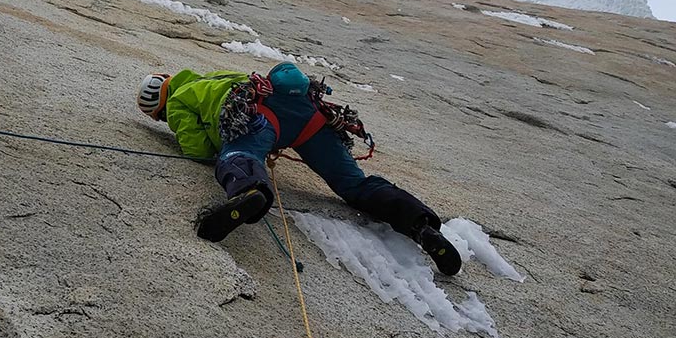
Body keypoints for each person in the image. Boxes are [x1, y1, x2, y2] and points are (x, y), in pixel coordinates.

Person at [137, 61, 462, 274]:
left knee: (237, 156)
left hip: (263, 119)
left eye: (161, 118)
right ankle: (421, 225)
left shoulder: (179, 99)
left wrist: (239, 148)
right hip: (306, 114)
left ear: (160, 107)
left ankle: (251, 191)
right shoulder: (211, 78)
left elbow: (198, 149)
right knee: (355, 186)